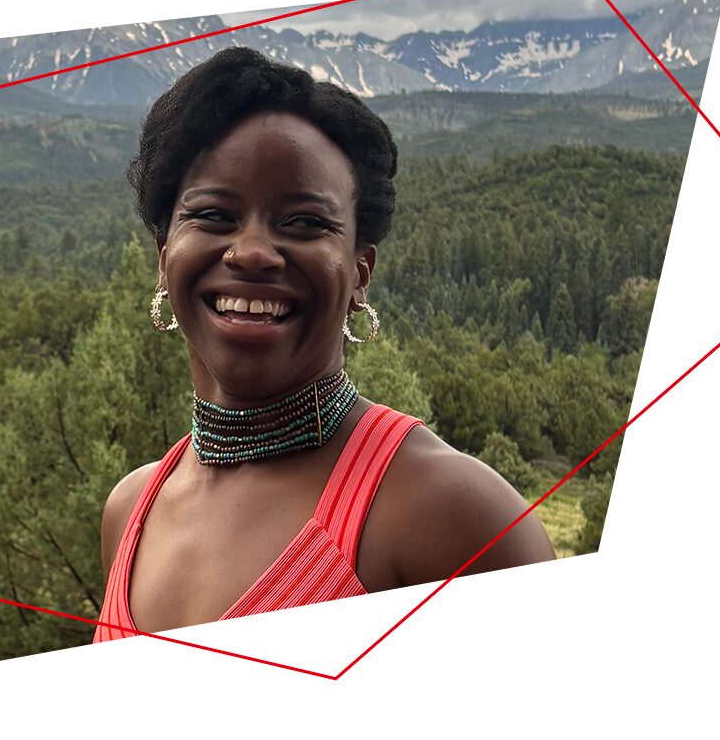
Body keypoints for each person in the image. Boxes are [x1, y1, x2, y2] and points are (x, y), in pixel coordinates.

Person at [95, 47, 556, 641]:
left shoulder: (453, 515)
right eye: (212, 215)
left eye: (306, 223)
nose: (253, 252)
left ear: (360, 272)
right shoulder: (129, 510)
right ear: (164, 258)